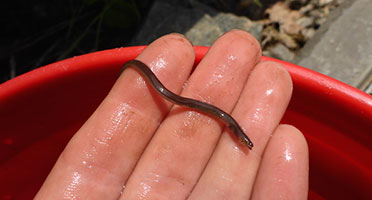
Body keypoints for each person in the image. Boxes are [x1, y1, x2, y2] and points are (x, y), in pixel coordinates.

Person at [35, 30, 309, 199]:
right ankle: (135, 67)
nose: (244, 143)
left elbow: (231, 124)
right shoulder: (230, 125)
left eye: (244, 141)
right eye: (244, 141)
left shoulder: (233, 128)